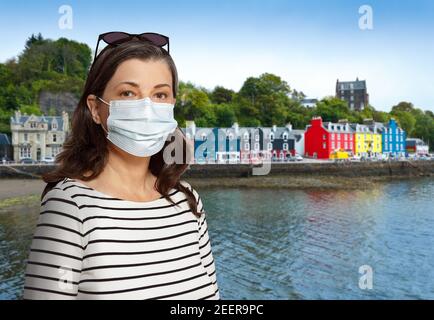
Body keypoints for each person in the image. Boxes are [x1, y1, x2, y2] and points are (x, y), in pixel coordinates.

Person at [22, 32, 219, 300]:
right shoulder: (70, 206)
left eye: (160, 94)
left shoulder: (186, 199)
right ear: (95, 109)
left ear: (172, 104)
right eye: (128, 93)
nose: (147, 107)